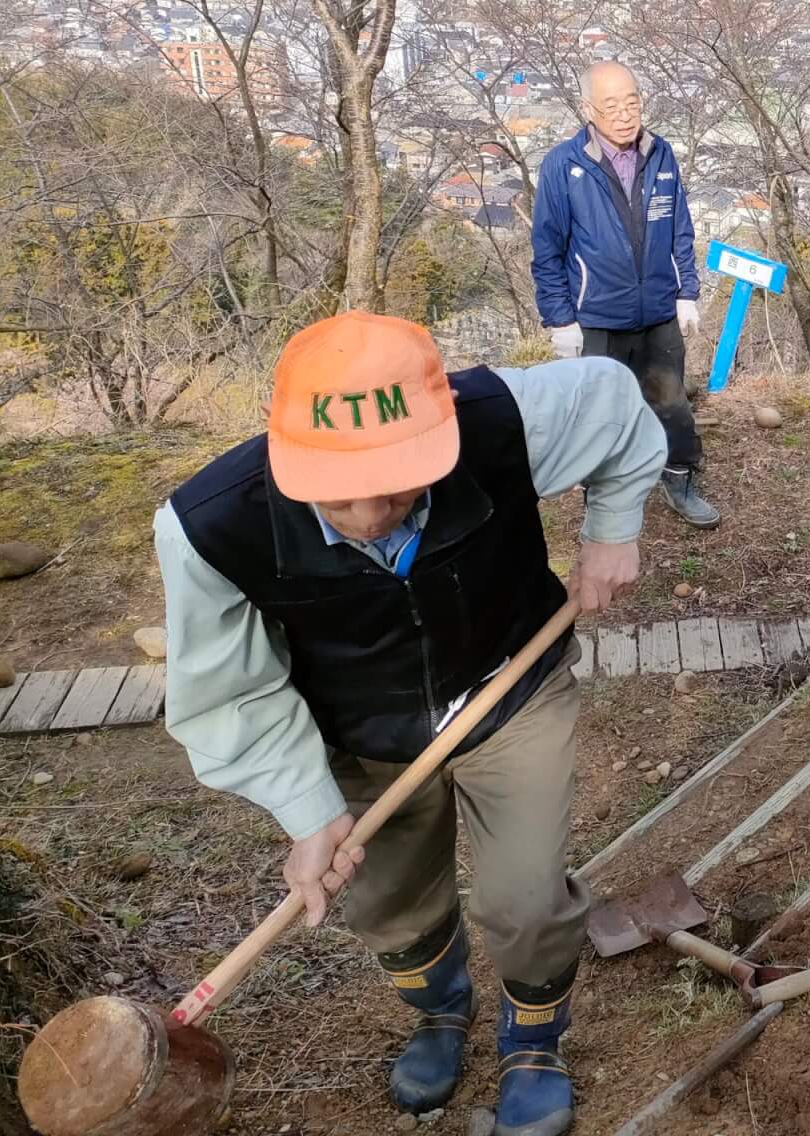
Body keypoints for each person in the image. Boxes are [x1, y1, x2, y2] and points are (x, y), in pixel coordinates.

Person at [156, 312, 667, 1136]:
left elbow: (612, 401)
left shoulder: (497, 422)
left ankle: (534, 1042)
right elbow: (231, 692)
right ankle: (441, 1008)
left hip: (511, 689)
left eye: (397, 485)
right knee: (387, 901)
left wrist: (613, 533)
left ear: (440, 429)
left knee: (526, 898)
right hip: (358, 729)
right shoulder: (212, 528)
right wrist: (308, 811)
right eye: (338, 493)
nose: (369, 515)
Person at [530, 60, 719, 528]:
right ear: (587, 109)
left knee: (671, 404)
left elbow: (679, 229)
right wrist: (560, 319)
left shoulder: (660, 154)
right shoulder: (564, 164)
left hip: (658, 310)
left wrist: (686, 292)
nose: (623, 114)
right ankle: (602, 502)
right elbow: (547, 248)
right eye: (610, 105)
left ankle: (679, 479)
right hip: (596, 315)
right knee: (598, 415)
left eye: (631, 102)